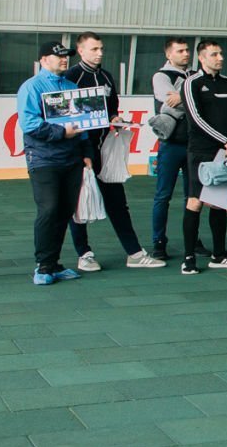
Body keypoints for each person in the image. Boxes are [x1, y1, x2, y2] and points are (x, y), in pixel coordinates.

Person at [66, 33, 159, 271]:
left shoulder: (106, 76)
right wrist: (81, 151)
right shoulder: (71, 77)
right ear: (80, 51)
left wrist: (115, 119)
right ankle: (84, 254)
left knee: (118, 203)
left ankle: (134, 253)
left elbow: (112, 109)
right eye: (94, 49)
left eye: (101, 48)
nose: (100, 53)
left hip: (104, 151)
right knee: (80, 204)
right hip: (80, 153)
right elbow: (68, 117)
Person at [16, 41, 85, 285]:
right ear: (44, 60)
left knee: (65, 210)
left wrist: (85, 150)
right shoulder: (31, 87)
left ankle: (54, 262)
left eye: (66, 56)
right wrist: (61, 133)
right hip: (43, 158)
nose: (65, 60)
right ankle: (43, 265)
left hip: (71, 158)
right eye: (59, 56)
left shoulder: (71, 86)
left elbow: (81, 121)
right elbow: (29, 124)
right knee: (49, 209)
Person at [182, 39, 227, 271]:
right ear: (202, 58)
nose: (220, 58)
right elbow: (196, 119)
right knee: (195, 202)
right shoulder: (192, 83)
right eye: (214, 54)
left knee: (219, 204)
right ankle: (189, 258)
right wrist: (225, 140)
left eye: (221, 54)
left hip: (225, 152)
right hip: (201, 151)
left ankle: (219, 255)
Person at [149, 37, 200, 262]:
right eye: (180, 51)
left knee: (193, 196)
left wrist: (184, 97)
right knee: (163, 196)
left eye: (187, 50)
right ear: (169, 54)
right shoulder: (161, 76)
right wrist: (193, 98)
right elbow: (171, 102)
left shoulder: (195, 75)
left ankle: (193, 240)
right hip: (171, 145)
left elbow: (200, 102)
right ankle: (159, 242)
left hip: (193, 145)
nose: (186, 54)